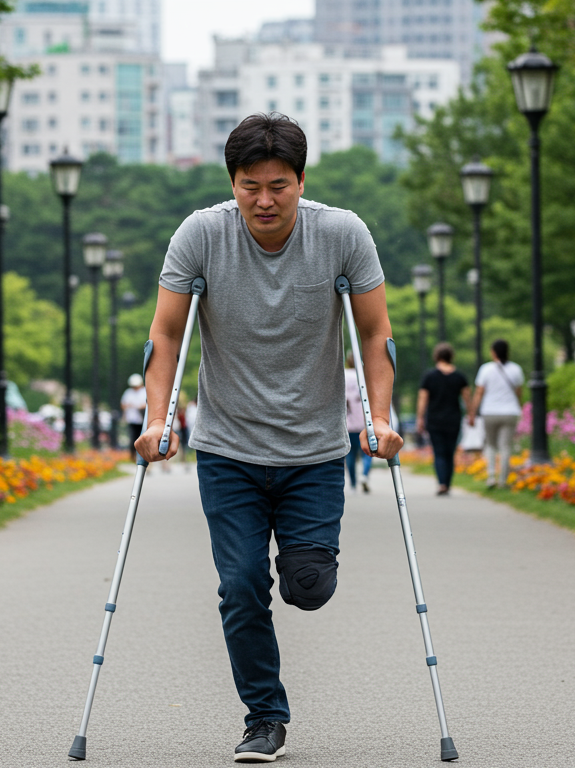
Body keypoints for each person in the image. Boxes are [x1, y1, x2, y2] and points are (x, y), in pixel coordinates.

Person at [135, 113, 401, 763]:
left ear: (302, 180)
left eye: (278, 185)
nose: (263, 200)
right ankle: (264, 717)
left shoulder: (343, 235)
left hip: (314, 450)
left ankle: (304, 569)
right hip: (228, 447)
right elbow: (166, 334)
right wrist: (157, 419)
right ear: (232, 181)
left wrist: (381, 417)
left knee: (307, 586)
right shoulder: (201, 235)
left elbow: (374, 333)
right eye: (249, 186)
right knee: (242, 583)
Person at [467, 339, 526, 489]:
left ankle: (491, 476)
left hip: (490, 412)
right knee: (505, 446)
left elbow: (479, 393)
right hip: (510, 412)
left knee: (491, 445)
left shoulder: (486, 369)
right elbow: (519, 392)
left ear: (493, 352)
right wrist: (519, 407)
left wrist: (472, 412)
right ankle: (503, 481)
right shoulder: (516, 369)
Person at [417, 342, 469, 496]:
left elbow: (423, 398)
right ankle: (447, 483)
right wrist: (471, 414)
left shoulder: (429, 376)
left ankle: (442, 483)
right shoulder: (460, 377)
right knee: (450, 452)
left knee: (439, 452)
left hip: (434, 420)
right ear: (451, 357)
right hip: (454, 419)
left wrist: (420, 418)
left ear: (437, 357)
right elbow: (467, 398)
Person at [343, 355, 373, 493]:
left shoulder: (343, 375)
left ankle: (353, 484)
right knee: (368, 453)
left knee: (350, 454)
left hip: (348, 422)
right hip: (365, 422)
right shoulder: (365, 376)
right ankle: (364, 474)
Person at [120, 374, 147, 462]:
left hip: (143, 419)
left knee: (144, 439)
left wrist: (136, 406)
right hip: (133, 420)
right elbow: (123, 404)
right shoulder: (128, 392)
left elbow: (146, 404)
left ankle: (145, 457)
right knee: (133, 439)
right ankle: (133, 457)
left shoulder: (144, 391)